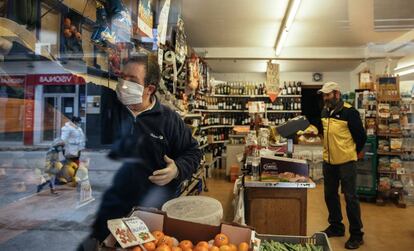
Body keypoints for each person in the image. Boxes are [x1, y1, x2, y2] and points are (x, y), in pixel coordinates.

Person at [88, 54, 201, 244]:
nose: (123, 84)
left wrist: (177, 169)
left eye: (131, 80)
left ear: (149, 89)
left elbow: (193, 152)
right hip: (108, 213)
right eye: (122, 77)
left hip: (150, 219)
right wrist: (24, 58)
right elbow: (65, 82)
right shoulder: (106, 102)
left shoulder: (168, 119)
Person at [318, 82, 367, 250]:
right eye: (324, 95)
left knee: (350, 198)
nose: (325, 98)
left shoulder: (349, 112)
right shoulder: (325, 111)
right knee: (330, 195)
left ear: (336, 94)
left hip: (346, 162)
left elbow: (361, 137)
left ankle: (356, 234)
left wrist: (352, 152)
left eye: (328, 95)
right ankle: (336, 226)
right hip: (329, 162)